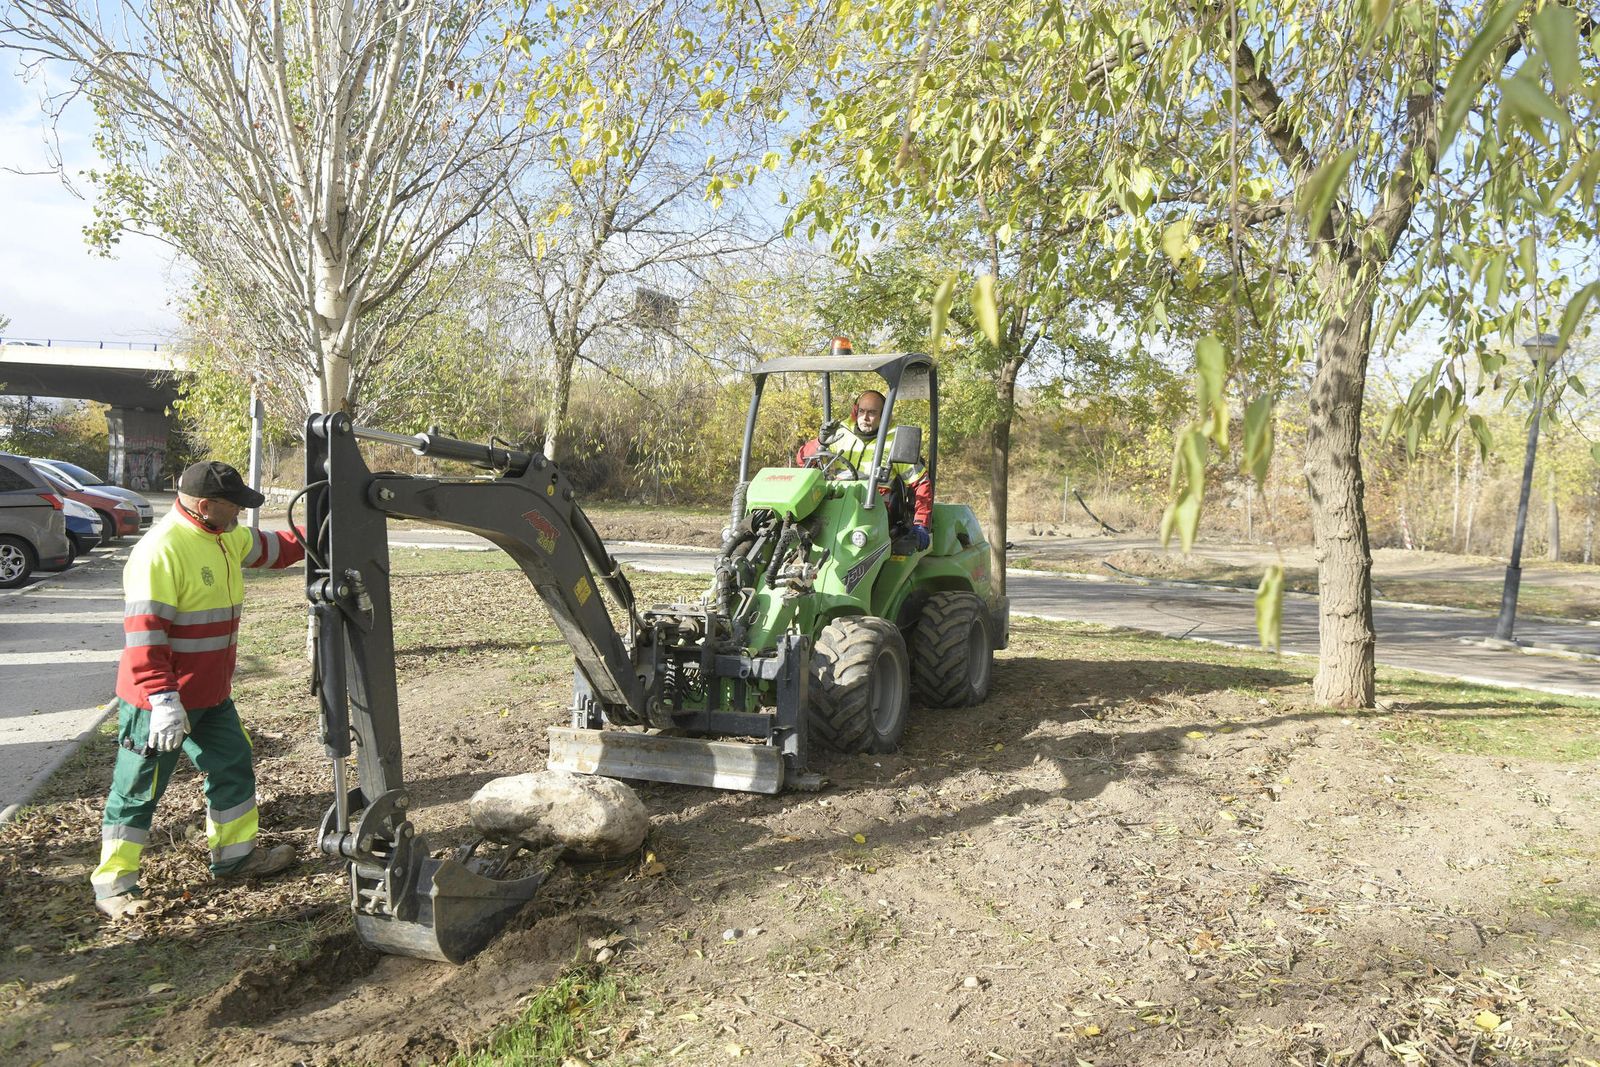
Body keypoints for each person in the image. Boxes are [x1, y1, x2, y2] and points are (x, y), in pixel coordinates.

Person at [91, 460, 307, 920]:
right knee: (138, 787)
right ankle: (114, 885)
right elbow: (146, 638)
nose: (240, 517)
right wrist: (164, 701)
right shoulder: (161, 551)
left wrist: (327, 523)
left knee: (233, 765)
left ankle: (235, 858)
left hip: (210, 694)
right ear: (205, 505)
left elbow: (276, 549)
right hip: (159, 701)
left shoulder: (223, 535)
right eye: (234, 507)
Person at [796, 388, 934, 550]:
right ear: (855, 411)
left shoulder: (896, 443)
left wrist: (920, 523)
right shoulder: (839, 434)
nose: (865, 418)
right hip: (836, 506)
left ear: (884, 416)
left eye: (872, 412)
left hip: (875, 512)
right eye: (861, 411)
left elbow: (921, 483)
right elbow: (802, 461)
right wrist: (820, 442)